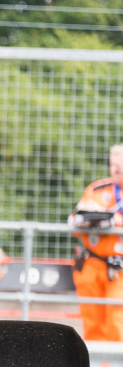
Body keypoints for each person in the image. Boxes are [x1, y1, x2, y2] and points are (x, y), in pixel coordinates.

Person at [70, 144, 123, 341]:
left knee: (117, 325)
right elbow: (75, 220)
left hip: (119, 270)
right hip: (91, 264)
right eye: (113, 165)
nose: (115, 171)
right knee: (92, 326)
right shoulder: (96, 189)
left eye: (120, 166)